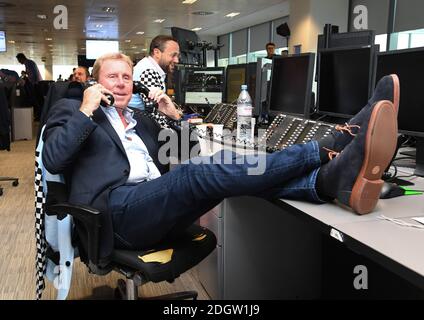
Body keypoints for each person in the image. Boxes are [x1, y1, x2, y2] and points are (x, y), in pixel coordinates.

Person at [42, 52, 398, 257]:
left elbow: (191, 150)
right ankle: (326, 147)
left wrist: (174, 115)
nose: (121, 83)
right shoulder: (71, 110)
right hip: (113, 216)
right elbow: (53, 160)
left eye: (126, 77)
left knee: (225, 175)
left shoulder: (141, 122)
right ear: (95, 82)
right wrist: (86, 109)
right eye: (111, 77)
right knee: (199, 174)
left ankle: (323, 182)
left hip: (151, 206)